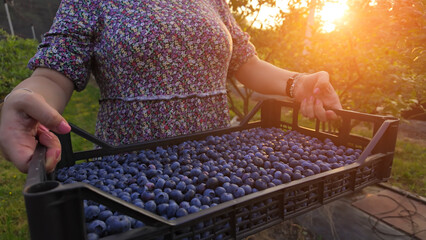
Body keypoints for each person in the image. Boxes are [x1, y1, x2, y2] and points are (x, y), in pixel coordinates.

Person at [0, 0, 341, 173]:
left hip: (215, 164)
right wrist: (27, 96)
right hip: (130, 169)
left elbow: (245, 63)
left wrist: (299, 83)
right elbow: (53, 72)